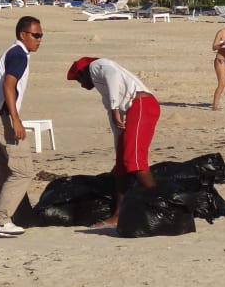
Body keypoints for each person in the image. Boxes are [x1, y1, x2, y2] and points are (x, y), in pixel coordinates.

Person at [67, 56, 160, 227]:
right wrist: (119, 152)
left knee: (135, 162)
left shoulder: (96, 66)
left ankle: (161, 204)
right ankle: (119, 215)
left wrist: (116, 107)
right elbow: (116, 125)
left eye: (79, 79)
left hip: (142, 105)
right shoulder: (106, 94)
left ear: (83, 72)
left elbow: (113, 75)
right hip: (135, 109)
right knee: (122, 168)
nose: (81, 85)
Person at [0, 16, 44, 236]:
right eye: (35, 35)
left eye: (41, 36)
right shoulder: (19, 55)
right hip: (1, 117)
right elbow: (9, 85)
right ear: (22, 35)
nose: (39, 40)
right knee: (23, 171)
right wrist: (16, 119)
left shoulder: (12, 53)